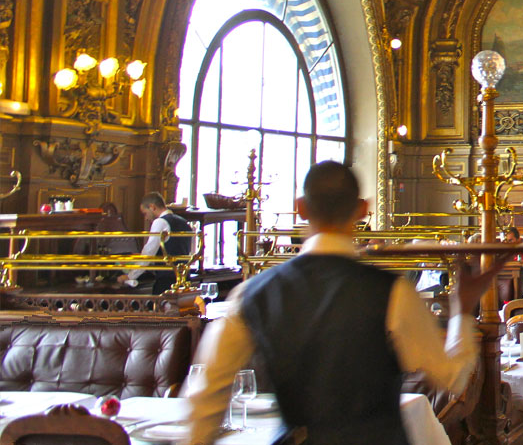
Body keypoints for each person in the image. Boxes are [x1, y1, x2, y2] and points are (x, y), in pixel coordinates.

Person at [182, 161, 504, 445]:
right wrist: (462, 312)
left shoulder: (251, 294)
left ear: (300, 208)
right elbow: (452, 377)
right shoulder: (391, 292)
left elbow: (205, 397)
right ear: (362, 210)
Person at [119, 192, 193, 294]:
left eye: (145, 213)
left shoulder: (160, 222)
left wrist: (130, 276)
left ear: (152, 207)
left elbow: (149, 252)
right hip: (185, 278)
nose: (146, 218)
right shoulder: (184, 222)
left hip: (167, 280)